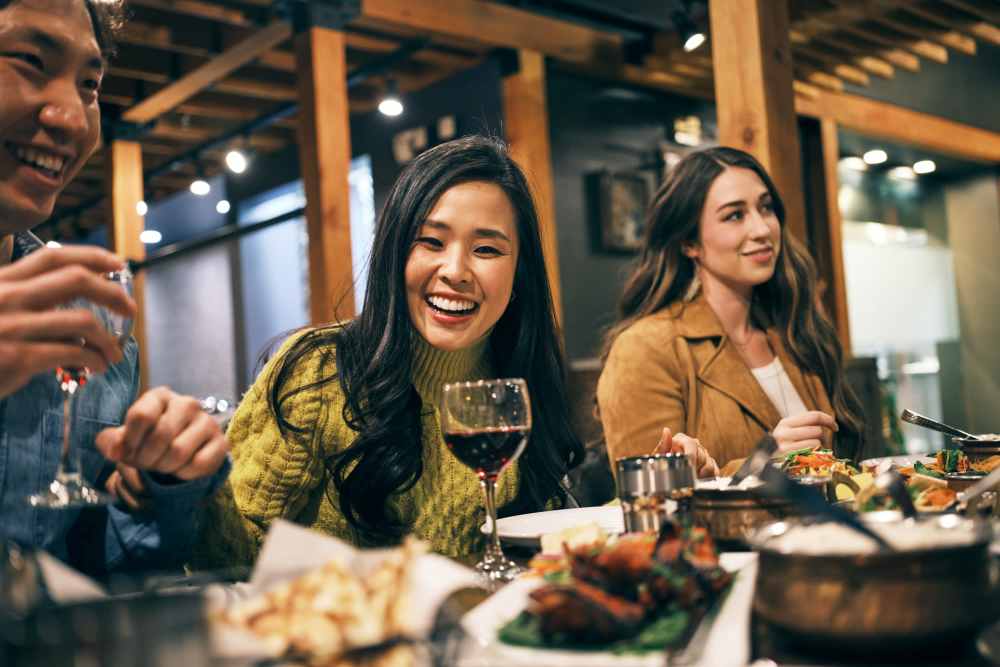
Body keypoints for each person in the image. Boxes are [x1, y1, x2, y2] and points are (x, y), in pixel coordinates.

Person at [196, 135, 583, 566]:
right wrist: (188, 484)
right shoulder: (321, 371)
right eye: (431, 242)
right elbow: (225, 558)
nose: (455, 271)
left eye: (486, 249)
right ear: (394, 254)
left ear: (519, 272)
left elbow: (556, 551)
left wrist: (656, 503)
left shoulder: (517, 389)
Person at [0, 0, 230, 576]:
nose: (74, 119)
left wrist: (162, 483)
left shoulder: (82, 319)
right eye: (30, 59)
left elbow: (94, 558)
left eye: (90, 84)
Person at [597, 147, 863, 477]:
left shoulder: (794, 331)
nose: (762, 229)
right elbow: (650, 496)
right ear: (689, 243)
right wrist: (765, 462)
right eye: (734, 215)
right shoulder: (644, 348)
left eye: (765, 208)